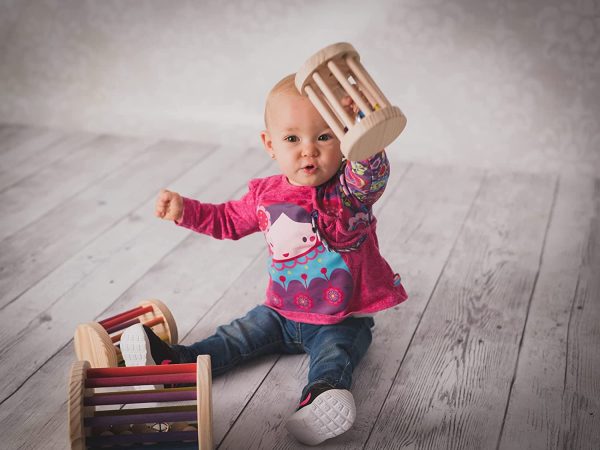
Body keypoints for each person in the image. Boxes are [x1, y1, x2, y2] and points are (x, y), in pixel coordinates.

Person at [120, 73, 408, 446]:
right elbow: (226, 219)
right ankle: (174, 362)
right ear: (270, 144)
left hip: (341, 318)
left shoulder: (348, 192)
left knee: (334, 357)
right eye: (293, 139)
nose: (309, 150)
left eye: (325, 136)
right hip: (279, 312)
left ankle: (322, 397)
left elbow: (370, 175)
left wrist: (361, 127)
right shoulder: (265, 194)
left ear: (344, 141)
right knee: (234, 337)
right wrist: (184, 210)